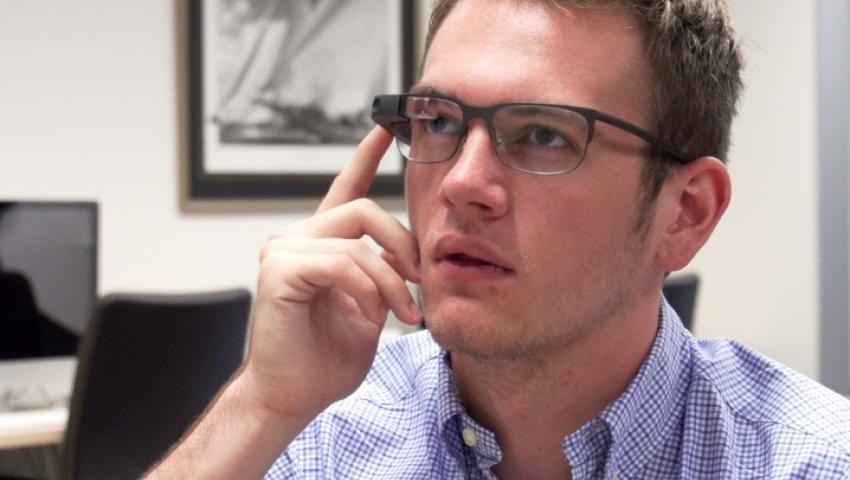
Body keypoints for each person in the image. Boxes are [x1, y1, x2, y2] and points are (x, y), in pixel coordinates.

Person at [148, 0, 850, 478]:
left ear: (685, 213)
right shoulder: (326, 434)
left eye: (543, 135)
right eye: (439, 122)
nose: (461, 183)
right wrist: (262, 405)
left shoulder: (811, 461)